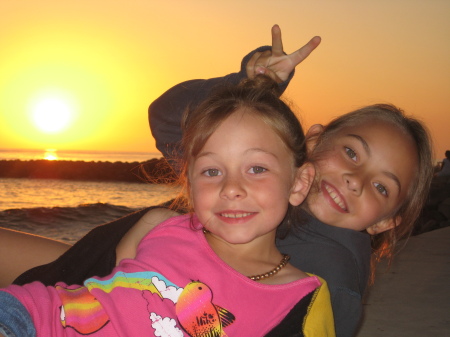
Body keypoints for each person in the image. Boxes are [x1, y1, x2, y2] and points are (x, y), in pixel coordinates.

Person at [2, 25, 434, 337]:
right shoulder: (262, 171)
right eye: (352, 153)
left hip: (95, 292)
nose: (356, 180)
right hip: (105, 272)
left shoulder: (330, 272)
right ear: (315, 141)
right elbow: (168, 119)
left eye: (382, 187)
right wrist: (250, 86)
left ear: (385, 223)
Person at [0, 77, 335, 337]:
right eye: (211, 171)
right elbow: (105, 288)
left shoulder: (299, 297)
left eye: (257, 169)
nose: (231, 188)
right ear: (189, 184)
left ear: (298, 183)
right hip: (28, 318)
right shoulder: (158, 225)